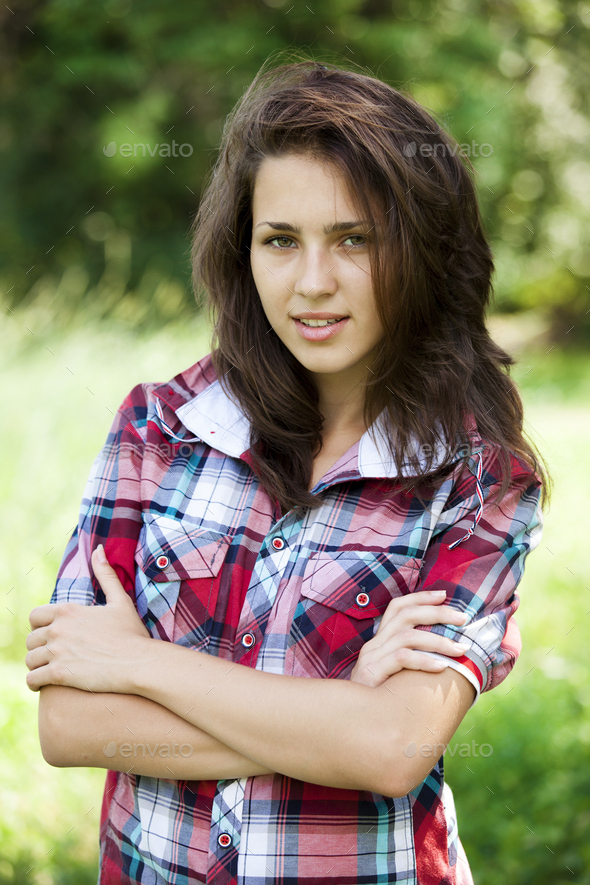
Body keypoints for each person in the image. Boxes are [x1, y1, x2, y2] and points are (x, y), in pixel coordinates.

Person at [25, 57, 547, 885]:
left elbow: (394, 748)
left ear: (418, 247)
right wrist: (340, 716)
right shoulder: (157, 429)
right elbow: (69, 723)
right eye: (280, 240)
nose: (312, 283)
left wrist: (139, 664)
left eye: (353, 239)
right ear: (244, 250)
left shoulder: (479, 480)